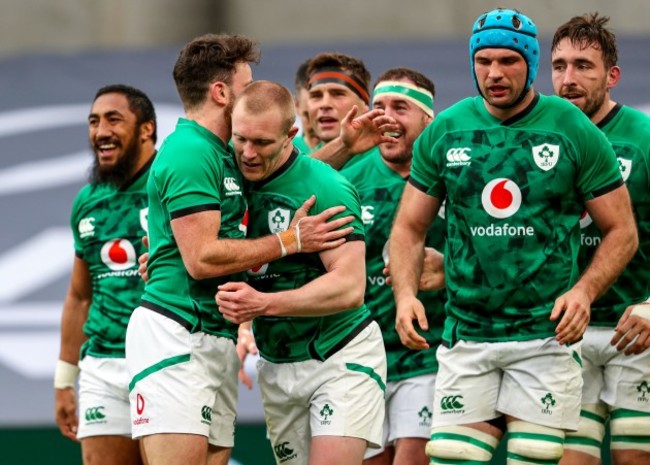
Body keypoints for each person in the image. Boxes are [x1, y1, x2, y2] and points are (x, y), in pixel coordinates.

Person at [388, 8, 638, 465]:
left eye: (508, 61)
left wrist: (584, 292)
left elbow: (622, 230)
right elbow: (408, 226)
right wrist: (405, 296)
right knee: (451, 455)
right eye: (484, 61)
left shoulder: (570, 128)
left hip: (546, 335)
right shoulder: (447, 130)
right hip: (467, 334)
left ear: (529, 64)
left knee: (535, 455)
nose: (495, 73)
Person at [125, 34, 355, 465]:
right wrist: (290, 241)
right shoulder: (191, 151)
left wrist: (344, 145)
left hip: (214, 335)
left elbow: (283, 174)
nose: (253, 92)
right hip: (176, 332)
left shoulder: (225, 150)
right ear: (220, 92)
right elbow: (201, 258)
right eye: (246, 84)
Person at [215, 80, 387, 465]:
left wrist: (263, 303)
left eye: (261, 143)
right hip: (277, 364)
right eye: (240, 139)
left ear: (291, 135)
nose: (247, 152)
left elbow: (349, 287)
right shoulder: (224, 178)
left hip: (340, 355)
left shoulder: (326, 188)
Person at [551, 13, 650, 465]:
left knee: (633, 456)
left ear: (612, 76)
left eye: (583, 67)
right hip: (566, 334)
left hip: (637, 330)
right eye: (559, 66)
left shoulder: (643, 138)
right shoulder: (540, 138)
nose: (568, 79)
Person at [341, 68, 444, 465]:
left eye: (401, 107)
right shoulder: (350, 179)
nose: (387, 116)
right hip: (362, 356)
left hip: (427, 353)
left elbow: (494, 250)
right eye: (379, 106)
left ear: (427, 119)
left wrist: (448, 268)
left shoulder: (450, 175)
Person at [54, 84, 157, 465]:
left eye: (114, 119)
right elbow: (80, 296)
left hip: (165, 359)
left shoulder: (171, 184)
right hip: (102, 364)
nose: (100, 131)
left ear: (147, 129)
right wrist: (65, 380)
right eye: (94, 122)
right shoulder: (88, 201)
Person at [304, 52, 387, 169]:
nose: (325, 104)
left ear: (364, 105)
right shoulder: (294, 163)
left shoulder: (390, 161)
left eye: (338, 94)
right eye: (316, 96)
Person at [293, 58, 320, 153]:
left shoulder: (360, 153)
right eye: (307, 115)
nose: (317, 127)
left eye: (326, 119)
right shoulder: (282, 152)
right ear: (296, 105)